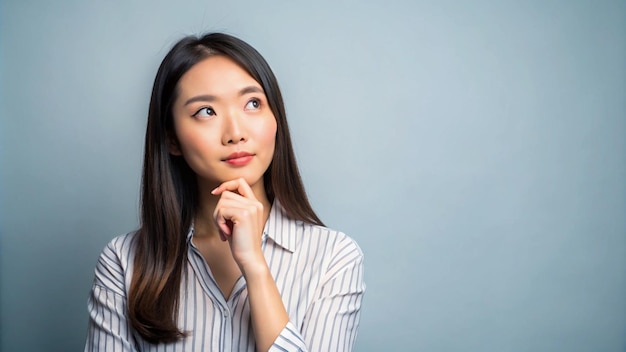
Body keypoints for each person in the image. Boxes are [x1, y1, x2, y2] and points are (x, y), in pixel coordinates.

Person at [84, 32, 365, 352]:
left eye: (253, 103)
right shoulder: (123, 262)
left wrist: (255, 267)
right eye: (206, 111)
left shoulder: (333, 258)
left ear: (276, 117)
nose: (235, 133)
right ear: (172, 138)